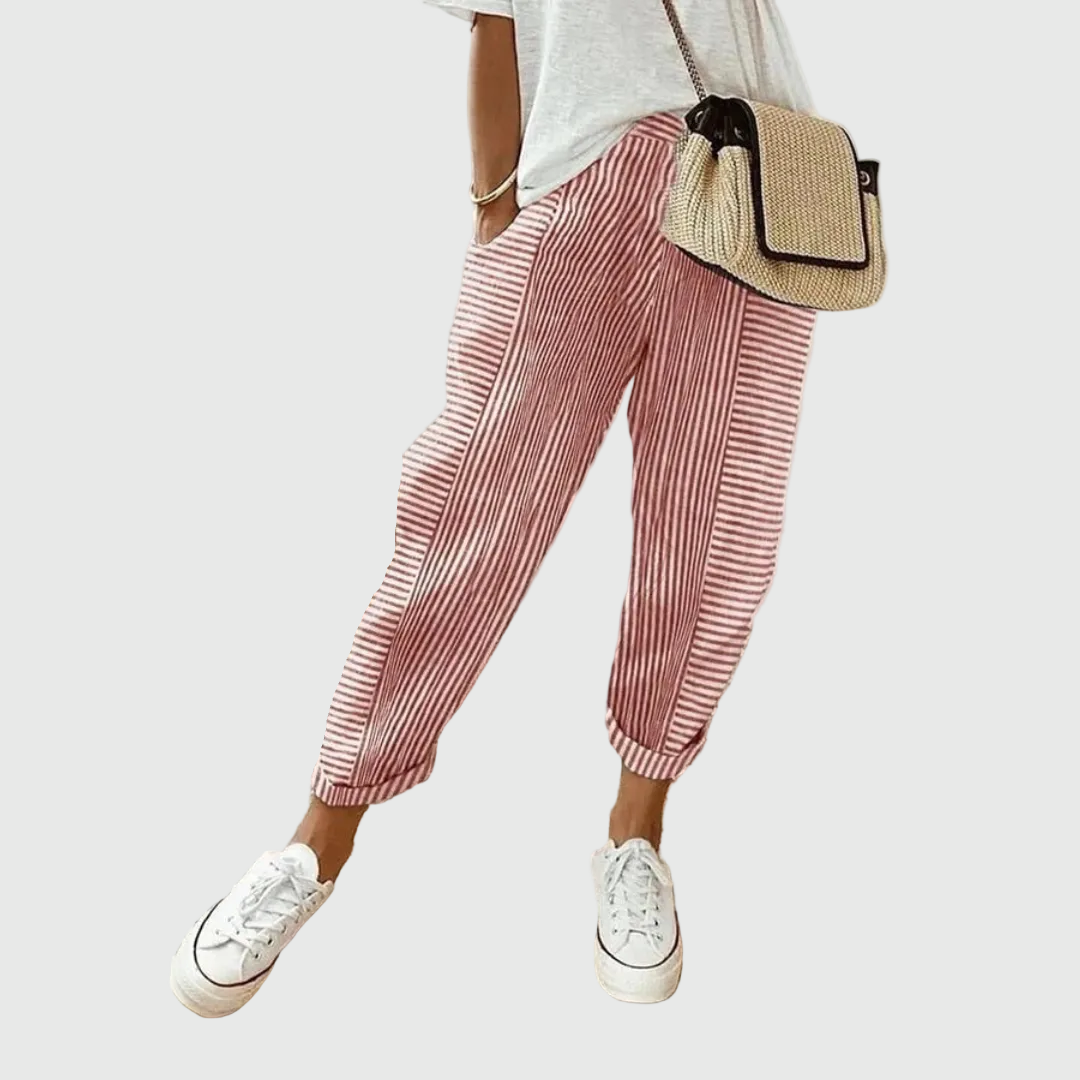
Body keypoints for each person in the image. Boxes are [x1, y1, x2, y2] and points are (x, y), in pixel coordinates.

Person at [170, 0, 819, 1015]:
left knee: (713, 536)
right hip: (577, 172)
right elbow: (494, 14)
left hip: (756, 179)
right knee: (463, 518)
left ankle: (637, 836)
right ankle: (318, 839)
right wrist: (492, 205)